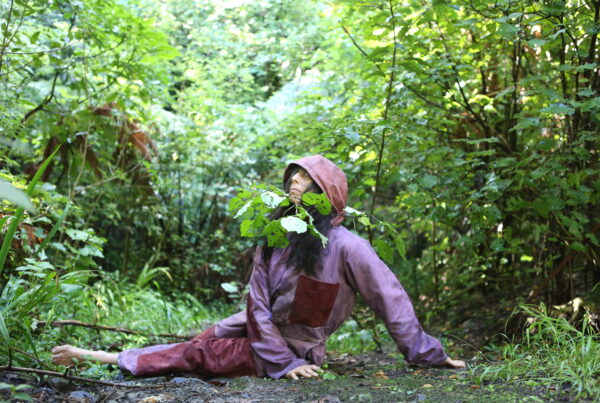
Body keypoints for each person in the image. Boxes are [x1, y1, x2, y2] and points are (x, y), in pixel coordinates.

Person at [52, 155, 465, 380]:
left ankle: (94, 356)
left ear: (326, 194)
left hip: (296, 349)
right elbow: (257, 304)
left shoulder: (349, 248)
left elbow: (389, 296)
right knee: (203, 339)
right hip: (256, 329)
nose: (295, 182)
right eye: (293, 176)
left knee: (197, 354)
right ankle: (117, 356)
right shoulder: (275, 237)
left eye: (305, 178)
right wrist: (273, 353)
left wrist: (427, 354)